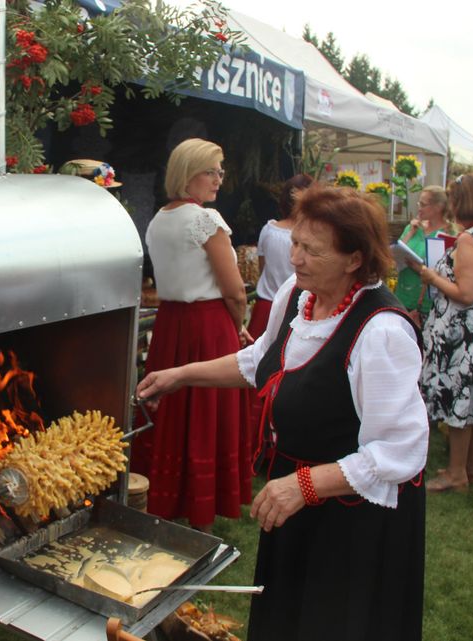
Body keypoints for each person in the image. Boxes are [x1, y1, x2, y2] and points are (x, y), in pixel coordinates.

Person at [136, 185, 427, 640]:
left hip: (352, 516)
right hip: (295, 491)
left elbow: (400, 450)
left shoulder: (382, 331)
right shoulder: (298, 294)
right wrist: (182, 374)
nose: (295, 259)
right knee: (288, 617)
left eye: (312, 250)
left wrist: (306, 485)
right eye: (295, 243)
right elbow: (261, 361)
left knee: (333, 622)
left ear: (354, 260)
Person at [130, 137, 252, 533]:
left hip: (171, 323)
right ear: (188, 173)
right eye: (210, 171)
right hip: (207, 326)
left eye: (221, 171)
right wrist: (239, 325)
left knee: (175, 410)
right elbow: (234, 289)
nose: (218, 179)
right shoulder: (206, 220)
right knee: (204, 411)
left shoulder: (159, 219)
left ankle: (166, 494)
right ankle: (199, 501)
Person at [417, 174, 473, 492]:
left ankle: (456, 473)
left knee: (460, 398)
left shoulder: (470, 239)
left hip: (465, 334)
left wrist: (431, 276)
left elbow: (466, 293)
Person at [245, 173, 313, 451]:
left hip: (266, 304)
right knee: (278, 374)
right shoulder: (306, 237)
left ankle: (257, 439)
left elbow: (262, 269)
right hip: (289, 307)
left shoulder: (268, 230)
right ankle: (271, 441)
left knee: (261, 374)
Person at [393, 185, 455, 323]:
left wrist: (420, 269)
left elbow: (448, 271)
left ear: (438, 207)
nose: (419, 208)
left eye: (423, 204)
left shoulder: (449, 234)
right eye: (419, 203)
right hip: (402, 295)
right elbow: (397, 249)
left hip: (426, 301)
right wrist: (411, 232)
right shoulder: (413, 228)